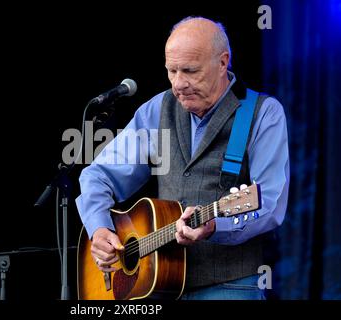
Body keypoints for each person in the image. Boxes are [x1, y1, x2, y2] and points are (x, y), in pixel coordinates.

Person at [75, 16, 289, 300]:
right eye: (171, 71)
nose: (179, 84)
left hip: (231, 285)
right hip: (157, 288)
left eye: (189, 71)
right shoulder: (157, 110)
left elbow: (270, 204)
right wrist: (99, 227)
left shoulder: (263, 113)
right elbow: (98, 175)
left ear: (223, 62)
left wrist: (215, 226)